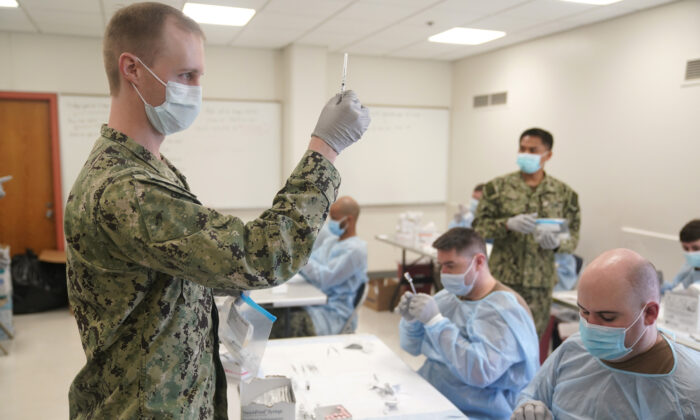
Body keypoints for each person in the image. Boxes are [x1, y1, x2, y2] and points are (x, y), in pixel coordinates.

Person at [64, 3, 370, 419]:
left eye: (199, 77)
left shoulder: (149, 169)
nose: (195, 89)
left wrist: (212, 287)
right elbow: (262, 255)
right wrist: (325, 149)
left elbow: (170, 268)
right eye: (185, 75)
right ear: (132, 69)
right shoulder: (125, 187)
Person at [511, 249, 700, 420]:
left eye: (607, 317)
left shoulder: (689, 385)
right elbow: (532, 395)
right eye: (584, 312)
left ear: (649, 313)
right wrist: (529, 410)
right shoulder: (574, 349)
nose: (591, 326)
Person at [398, 228, 539, 420]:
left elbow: (480, 372)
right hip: (431, 396)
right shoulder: (448, 298)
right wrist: (412, 320)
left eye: (450, 265)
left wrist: (436, 322)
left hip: (478, 412)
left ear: (479, 261)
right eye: (441, 266)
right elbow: (412, 347)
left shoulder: (504, 311)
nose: (444, 273)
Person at [473, 127, 580, 336]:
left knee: (530, 340)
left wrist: (557, 244)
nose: (526, 154)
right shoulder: (497, 188)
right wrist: (505, 225)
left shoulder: (564, 194)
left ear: (548, 155)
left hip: (539, 285)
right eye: (522, 149)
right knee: (493, 336)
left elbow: (572, 236)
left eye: (533, 150)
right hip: (502, 279)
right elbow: (477, 228)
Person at [269, 196, 368, 338]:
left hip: (331, 314)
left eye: (335, 218)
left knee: (279, 325)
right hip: (313, 305)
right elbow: (310, 266)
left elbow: (324, 278)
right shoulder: (332, 241)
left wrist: (298, 257)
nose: (331, 222)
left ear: (349, 220)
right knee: (269, 314)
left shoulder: (355, 251)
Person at [661, 219, 700, 294]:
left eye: (696, 248)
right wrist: (657, 284)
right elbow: (675, 289)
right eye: (686, 248)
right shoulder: (689, 267)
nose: (690, 253)